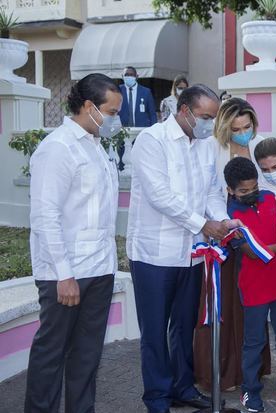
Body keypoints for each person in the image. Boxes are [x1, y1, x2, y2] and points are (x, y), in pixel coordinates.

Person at [127, 85, 240, 413]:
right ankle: (157, 398)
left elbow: (212, 191)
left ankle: (181, 387)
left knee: (184, 325)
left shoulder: (206, 145)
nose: (209, 123)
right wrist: (204, 225)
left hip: (192, 253)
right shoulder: (152, 140)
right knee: (155, 330)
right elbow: (160, 195)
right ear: (184, 110)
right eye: (205, 117)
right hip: (154, 253)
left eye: (213, 117)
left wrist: (221, 220)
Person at [25, 73, 122, 413]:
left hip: (98, 267)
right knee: (51, 354)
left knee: (86, 356)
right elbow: (44, 217)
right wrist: (64, 274)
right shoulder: (57, 149)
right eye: (111, 112)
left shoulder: (96, 146)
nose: (116, 119)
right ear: (88, 106)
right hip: (64, 273)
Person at [196, 97, 272, 393]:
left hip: (257, 231)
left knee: (253, 300)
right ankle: (224, 371)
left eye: (247, 126)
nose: (243, 132)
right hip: (226, 232)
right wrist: (224, 221)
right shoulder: (212, 148)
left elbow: (275, 180)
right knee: (225, 300)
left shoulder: (261, 144)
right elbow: (210, 191)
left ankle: (253, 368)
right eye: (236, 127)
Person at [223, 156, 276, 412]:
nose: (250, 194)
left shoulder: (269, 197)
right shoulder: (230, 215)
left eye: (253, 188)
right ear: (231, 190)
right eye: (243, 191)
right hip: (253, 286)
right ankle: (250, 391)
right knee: (254, 342)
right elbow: (252, 252)